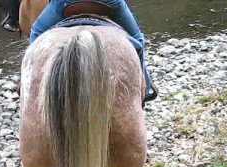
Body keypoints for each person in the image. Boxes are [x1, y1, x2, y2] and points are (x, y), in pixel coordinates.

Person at [29, 0, 157, 103]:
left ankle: (31, 85)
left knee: (36, 33)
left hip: (64, 3)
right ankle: (146, 86)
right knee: (137, 39)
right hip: (110, 2)